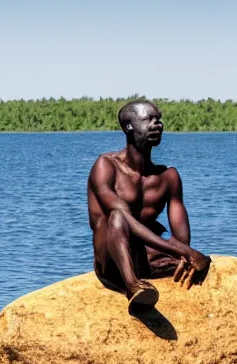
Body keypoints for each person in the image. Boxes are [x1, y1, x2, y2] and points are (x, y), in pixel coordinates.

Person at [87, 100, 210, 313]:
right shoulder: (106, 166)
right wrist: (185, 251)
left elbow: (181, 239)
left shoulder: (168, 177)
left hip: (146, 259)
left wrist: (187, 255)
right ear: (129, 128)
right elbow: (124, 220)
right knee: (118, 216)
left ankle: (145, 277)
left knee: (192, 259)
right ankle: (133, 288)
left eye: (159, 120)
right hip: (111, 262)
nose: (157, 125)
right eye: (149, 120)